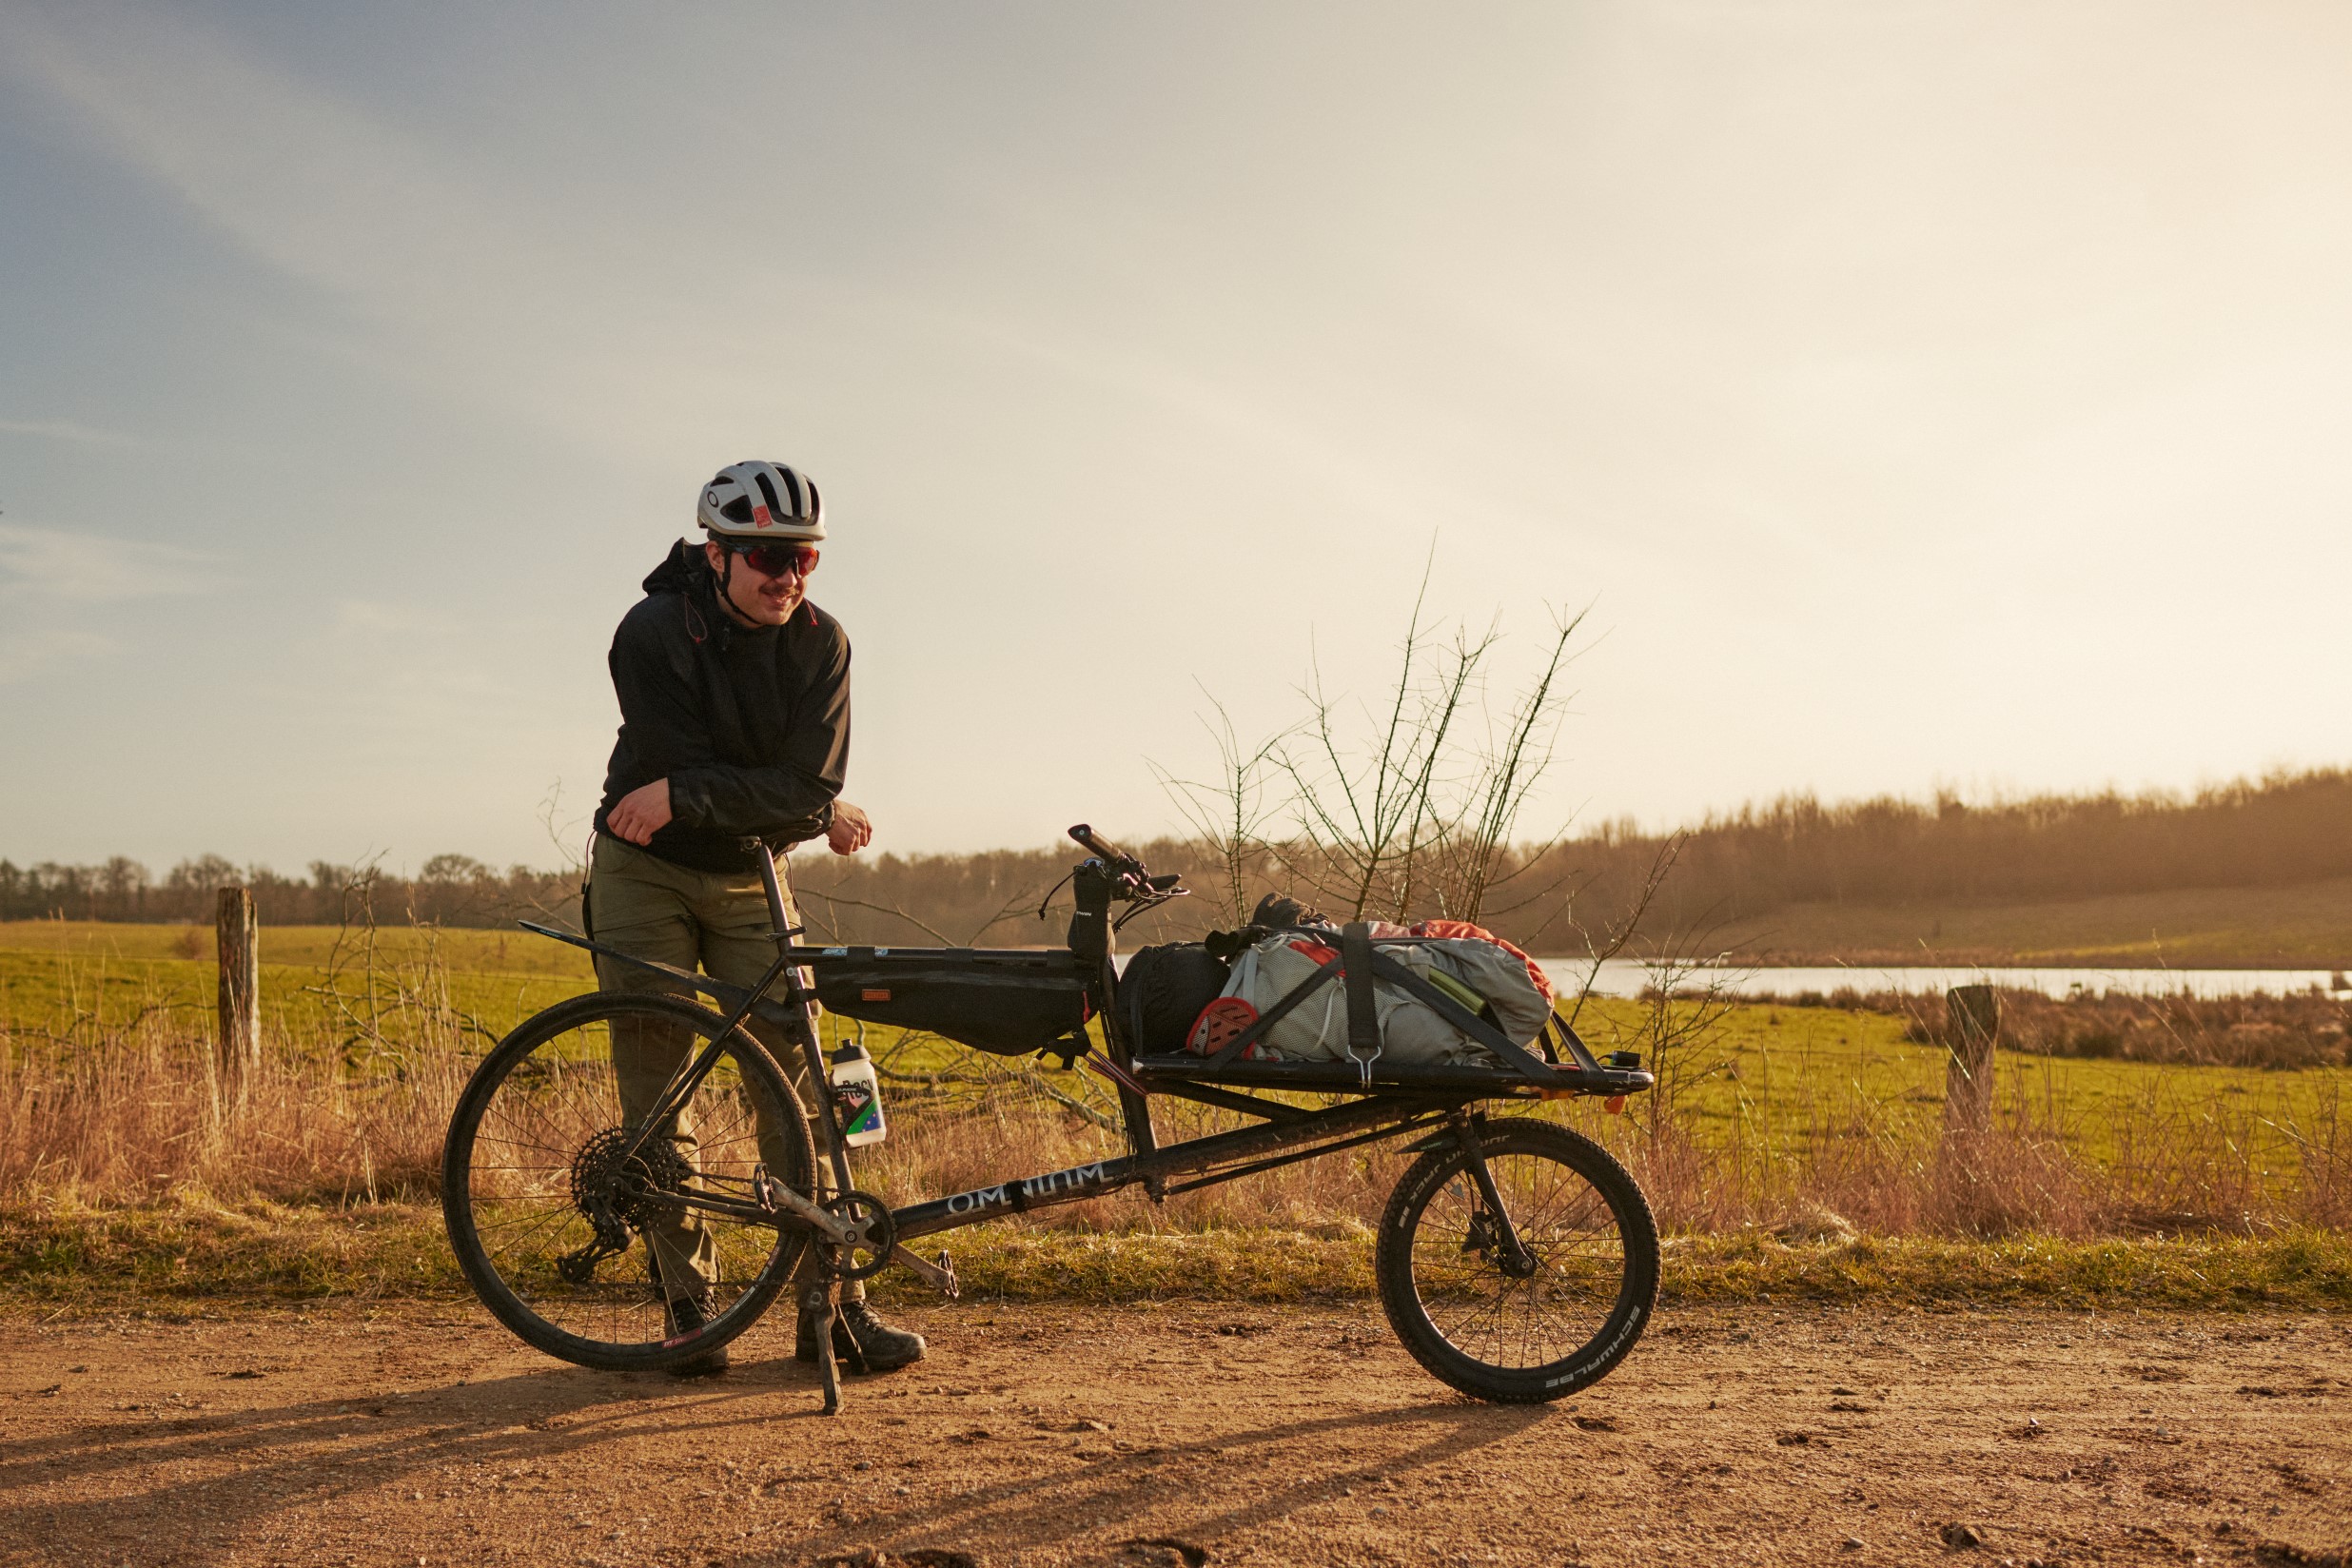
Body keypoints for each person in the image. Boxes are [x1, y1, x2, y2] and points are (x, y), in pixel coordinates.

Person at [589, 459, 925, 1377]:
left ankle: (838, 1305)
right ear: (717, 553)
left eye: (805, 559)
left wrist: (778, 805)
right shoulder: (652, 632)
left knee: (802, 1078)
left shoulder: (823, 643)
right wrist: (791, 805)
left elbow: (804, 784)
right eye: (769, 557)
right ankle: (691, 1309)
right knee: (661, 1089)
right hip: (643, 871)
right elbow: (729, 780)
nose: (789, 578)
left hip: (749, 873)